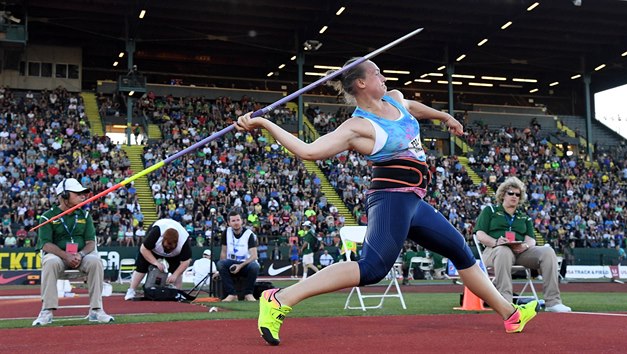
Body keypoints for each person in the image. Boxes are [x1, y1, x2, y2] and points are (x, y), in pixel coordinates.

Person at [234, 58, 538, 346]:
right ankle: (280, 299)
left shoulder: (394, 98)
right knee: (372, 269)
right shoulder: (358, 127)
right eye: (377, 72)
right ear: (362, 83)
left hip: (415, 201)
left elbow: (412, 108)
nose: (384, 77)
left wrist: (444, 116)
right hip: (391, 199)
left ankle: (510, 314)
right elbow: (309, 151)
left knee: (459, 248)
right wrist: (265, 125)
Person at [474, 176, 571, 313]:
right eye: (511, 193)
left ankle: (553, 302)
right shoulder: (490, 211)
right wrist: (496, 242)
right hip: (493, 250)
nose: (514, 196)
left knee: (548, 252)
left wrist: (524, 246)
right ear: (503, 195)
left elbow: (531, 239)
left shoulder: (524, 217)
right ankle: (505, 302)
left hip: (518, 252)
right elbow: (480, 235)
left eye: (518, 194)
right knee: (503, 251)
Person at [33, 178, 114, 326]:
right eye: (77, 193)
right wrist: (66, 256)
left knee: (95, 261)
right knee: (50, 261)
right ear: (63, 196)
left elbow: (91, 243)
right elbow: (45, 244)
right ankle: (46, 311)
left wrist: (80, 254)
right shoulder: (47, 216)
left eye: (82, 194)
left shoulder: (85, 215)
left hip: (80, 257)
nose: (82, 196)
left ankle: (96, 310)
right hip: (59, 258)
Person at [124, 218, 192, 300]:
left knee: (177, 270)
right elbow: (144, 249)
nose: (167, 249)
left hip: (174, 255)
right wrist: (156, 262)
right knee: (141, 267)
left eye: (171, 247)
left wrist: (175, 275)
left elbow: (186, 262)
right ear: (163, 239)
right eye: (166, 246)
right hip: (153, 249)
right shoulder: (156, 232)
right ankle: (131, 290)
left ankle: (178, 292)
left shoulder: (184, 241)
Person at [217, 210, 260, 302]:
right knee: (221, 264)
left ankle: (248, 293)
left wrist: (240, 266)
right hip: (231, 262)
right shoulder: (226, 232)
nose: (236, 223)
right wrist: (219, 271)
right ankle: (232, 294)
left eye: (238, 220)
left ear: (242, 221)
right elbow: (223, 252)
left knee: (255, 266)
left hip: (245, 264)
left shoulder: (249, 234)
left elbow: (254, 256)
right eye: (233, 221)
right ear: (228, 223)